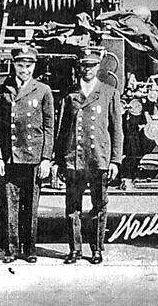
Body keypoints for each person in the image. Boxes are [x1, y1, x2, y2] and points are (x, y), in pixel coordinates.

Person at [55, 47, 124, 265]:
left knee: (99, 205)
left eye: (92, 65)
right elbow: (61, 130)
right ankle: (74, 250)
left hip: (98, 159)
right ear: (79, 68)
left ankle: (96, 249)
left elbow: (116, 130)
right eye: (84, 65)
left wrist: (115, 160)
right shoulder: (70, 95)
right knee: (72, 207)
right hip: (74, 159)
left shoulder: (109, 92)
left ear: (98, 67)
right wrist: (59, 161)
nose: (88, 69)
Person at [0, 45, 55, 264]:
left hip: (33, 158)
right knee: (10, 205)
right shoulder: (2, 90)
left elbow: (48, 127)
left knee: (31, 205)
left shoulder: (43, 90)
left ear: (34, 66)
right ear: (14, 65)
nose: (24, 70)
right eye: (20, 65)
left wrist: (46, 158)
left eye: (28, 66)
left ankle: (30, 248)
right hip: (10, 159)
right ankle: (11, 249)